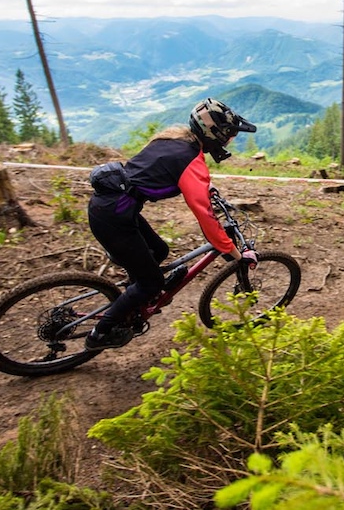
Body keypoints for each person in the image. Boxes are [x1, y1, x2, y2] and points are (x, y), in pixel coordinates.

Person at [85, 98, 259, 350]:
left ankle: (139, 294)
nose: (229, 141)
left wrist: (205, 187)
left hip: (111, 207)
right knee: (151, 282)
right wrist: (233, 252)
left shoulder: (174, 139)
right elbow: (207, 220)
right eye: (228, 135)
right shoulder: (191, 161)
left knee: (160, 252)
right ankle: (99, 334)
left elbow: (158, 168)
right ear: (214, 134)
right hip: (115, 217)